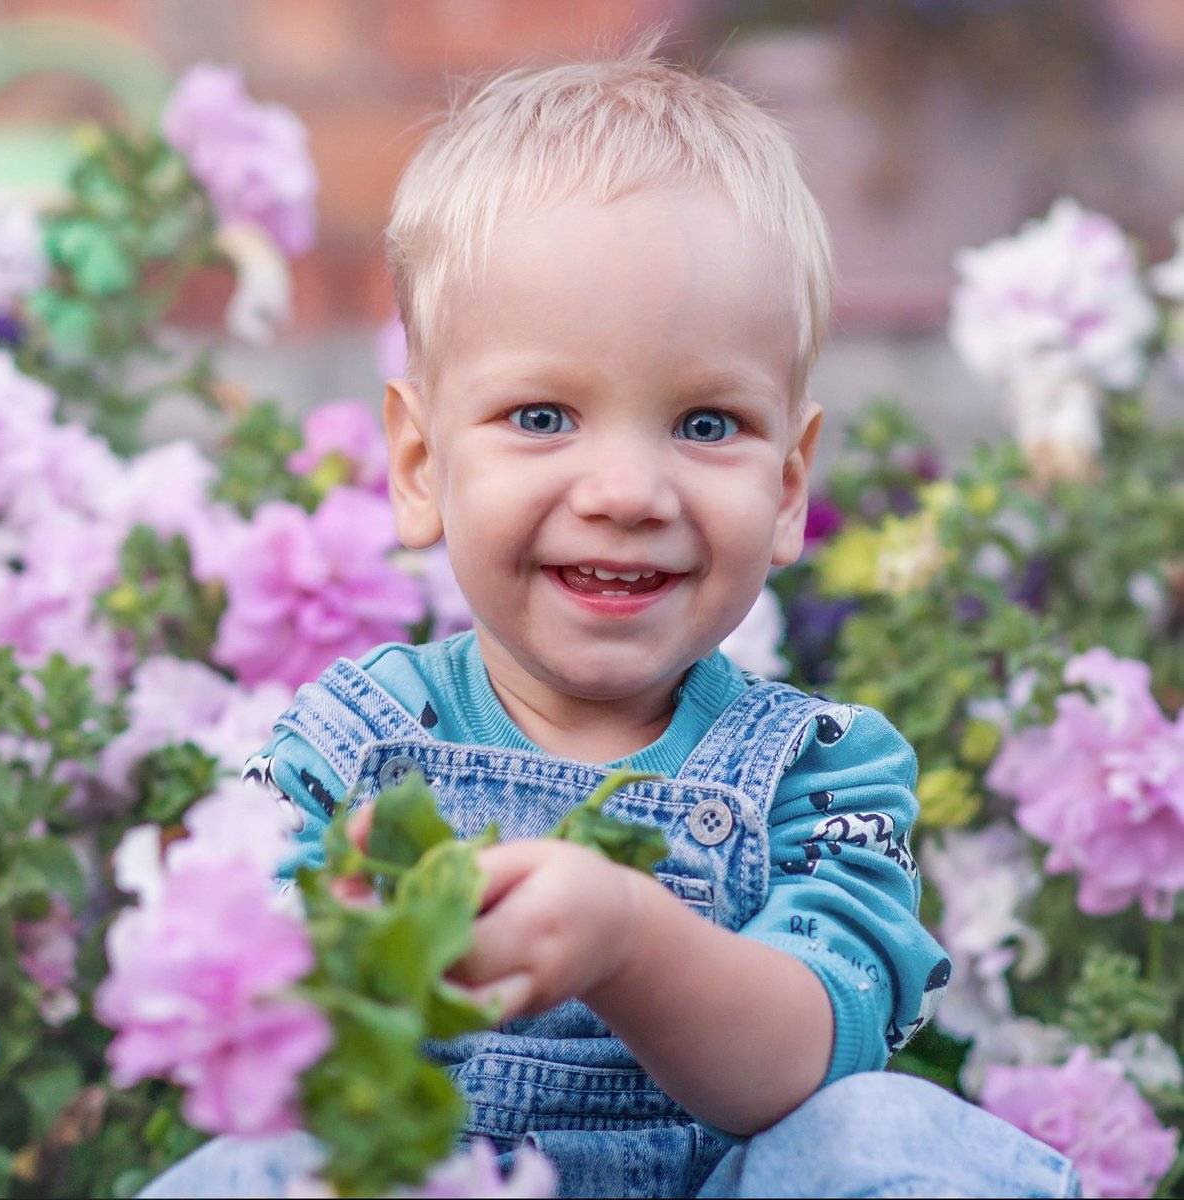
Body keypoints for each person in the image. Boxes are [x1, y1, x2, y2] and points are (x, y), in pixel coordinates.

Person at [142, 38, 1079, 1199]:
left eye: (706, 424)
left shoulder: (823, 775)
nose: (628, 493)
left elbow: (804, 1058)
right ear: (422, 465)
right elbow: (239, 1003)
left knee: (880, 1136)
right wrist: (339, 953)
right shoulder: (350, 742)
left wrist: (630, 938)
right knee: (252, 1168)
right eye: (543, 416)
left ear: (789, 489)